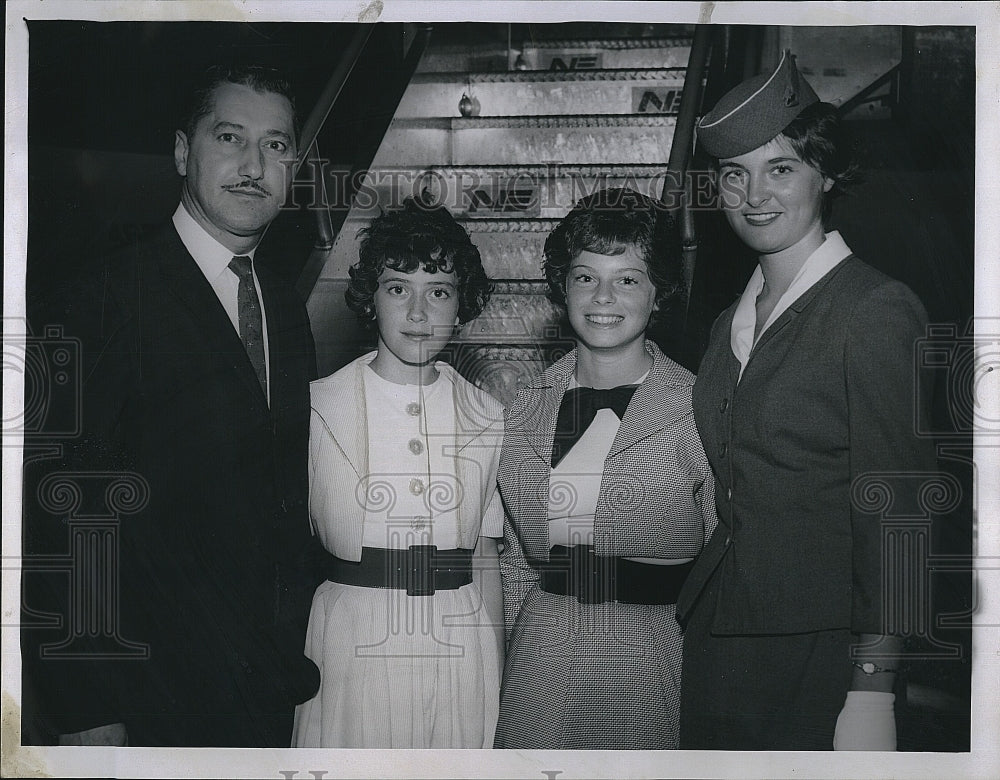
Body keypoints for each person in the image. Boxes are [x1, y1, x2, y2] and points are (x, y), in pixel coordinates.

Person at [21, 65, 320, 747]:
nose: (253, 165)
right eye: (230, 137)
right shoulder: (95, 299)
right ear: (184, 151)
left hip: (262, 693)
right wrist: (86, 706)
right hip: (142, 701)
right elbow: (57, 511)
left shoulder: (285, 308)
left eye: (275, 146)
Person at [675, 50, 939, 750]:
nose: (756, 194)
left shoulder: (873, 308)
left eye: (781, 168)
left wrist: (874, 686)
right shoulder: (723, 322)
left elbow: (903, 514)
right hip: (718, 635)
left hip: (823, 651)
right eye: (736, 174)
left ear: (824, 174)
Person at [494, 188, 718, 749]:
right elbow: (520, 564)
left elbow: (724, 560)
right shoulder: (528, 407)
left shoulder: (695, 408)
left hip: (645, 671)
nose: (603, 297)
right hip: (538, 673)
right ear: (562, 286)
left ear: (658, 292)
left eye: (628, 278)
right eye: (585, 276)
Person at [292, 196, 504, 748]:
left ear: (461, 306)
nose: (417, 313)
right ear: (371, 300)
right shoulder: (317, 408)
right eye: (397, 288)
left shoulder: (487, 415)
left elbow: (485, 559)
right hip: (350, 643)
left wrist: (496, 677)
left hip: (459, 644)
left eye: (438, 291)